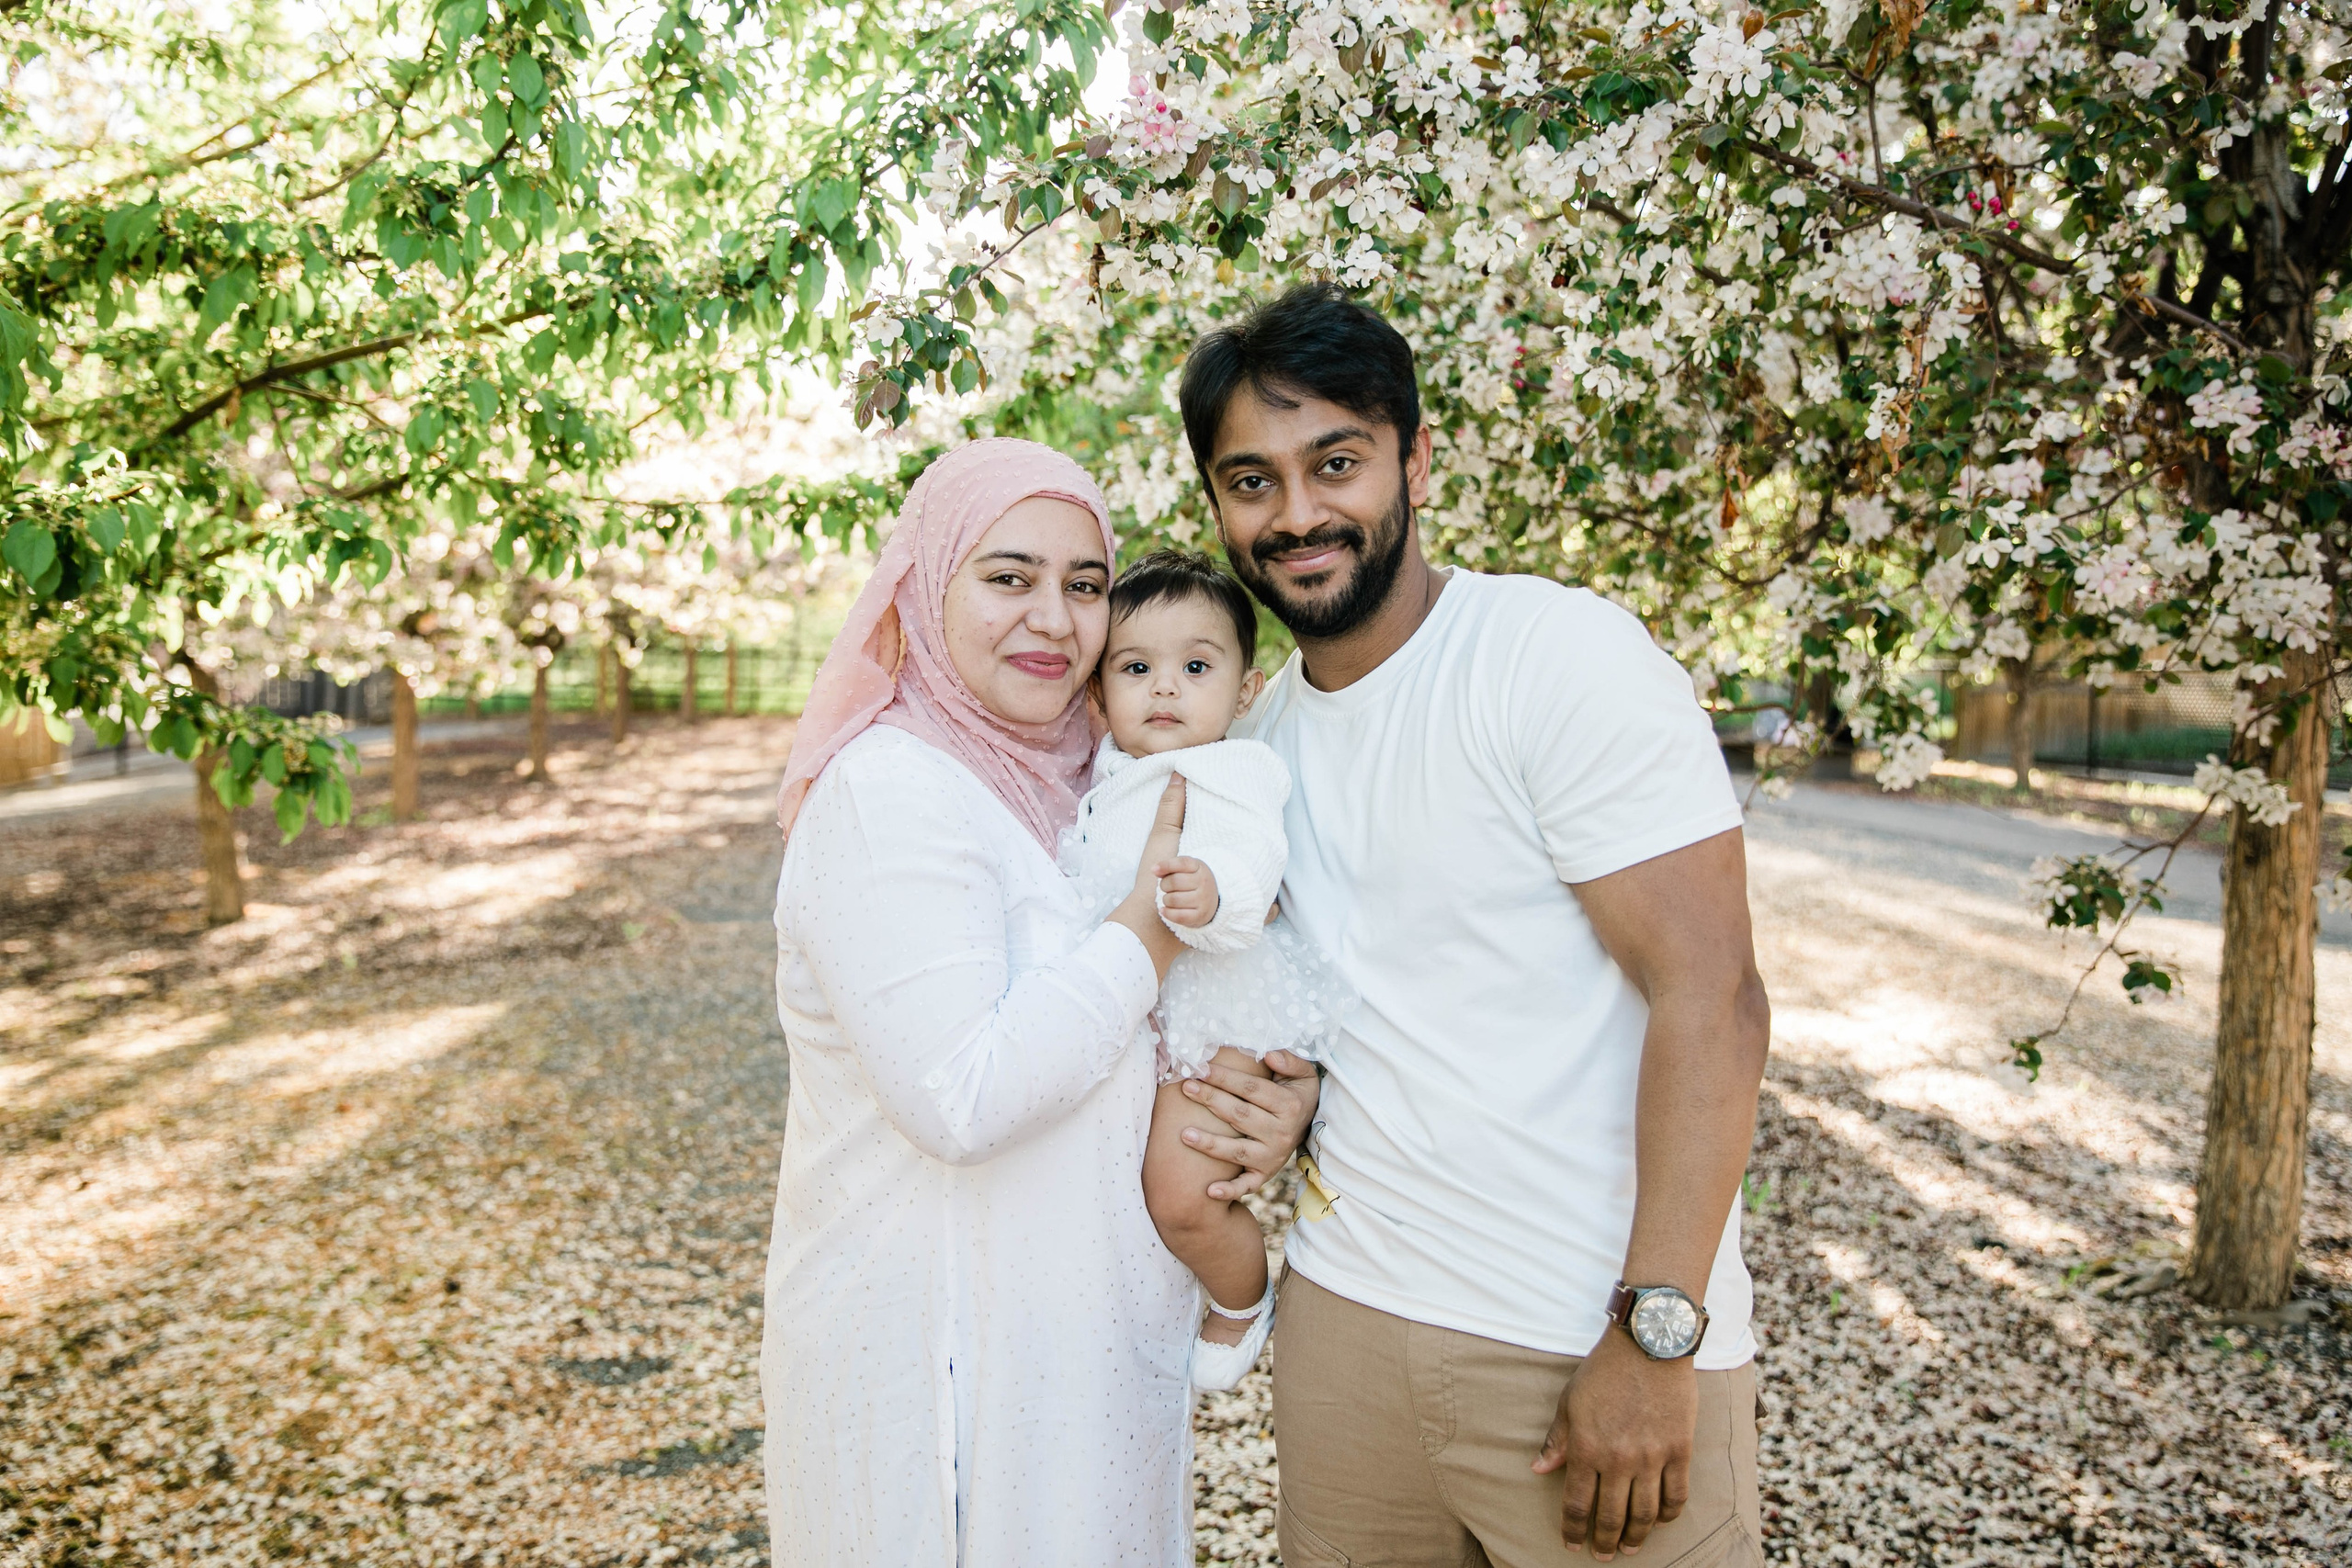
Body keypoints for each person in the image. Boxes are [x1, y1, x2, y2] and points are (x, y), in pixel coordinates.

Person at [1177, 286, 1773, 1566]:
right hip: (1345, 1322)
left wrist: (1654, 1329)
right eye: (1251, 480)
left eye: (1335, 461)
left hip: (1583, 1335)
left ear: (1416, 457)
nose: (1296, 514)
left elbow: (1714, 994)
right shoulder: (1258, 744)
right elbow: (1353, 990)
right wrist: (1296, 1094)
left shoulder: (1553, 657)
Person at [759, 440, 1320, 1567]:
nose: (1054, 621)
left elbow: (1160, 1022)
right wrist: (1153, 926)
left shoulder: (1087, 778)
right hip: (944, 1370)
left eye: (1083, 585)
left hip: (1089, 1352)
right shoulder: (892, 791)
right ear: (925, 587)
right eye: (1006, 577)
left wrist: (1268, 1095)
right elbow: (961, 1097)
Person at [1057, 548, 1354, 1391]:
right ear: (1097, 692)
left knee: (1180, 1189)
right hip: (1132, 1008)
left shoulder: (1234, 769)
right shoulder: (1106, 774)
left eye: (1195, 667)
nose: (1165, 688)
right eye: (1137, 667)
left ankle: (1240, 1295)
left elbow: (1260, 860)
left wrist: (1215, 890)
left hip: (1215, 1008)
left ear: (1246, 691)